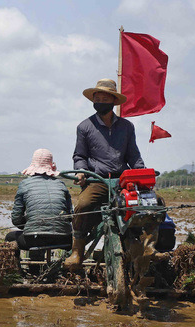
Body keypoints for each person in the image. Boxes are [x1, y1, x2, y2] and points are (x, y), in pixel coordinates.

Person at [64, 78, 145, 271]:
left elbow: (133, 155)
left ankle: (143, 246)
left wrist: (142, 174)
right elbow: (80, 155)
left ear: (112, 101)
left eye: (104, 97)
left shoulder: (126, 127)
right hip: (97, 179)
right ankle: (77, 251)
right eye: (97, 97)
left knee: (148, 204)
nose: (100, 100)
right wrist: (81, 172)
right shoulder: (85, 127)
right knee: (83, 205)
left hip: (122, 180)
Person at [5, 149, 73, 272]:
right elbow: (70, 216)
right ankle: (67, 270)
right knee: (73, 239)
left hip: (34, 238)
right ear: (51, 166)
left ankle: (18, 272)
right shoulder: (61, 184)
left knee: (10, 237)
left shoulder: (25, 184)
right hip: (63, 238)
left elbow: (16, 219)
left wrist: (31, 224)